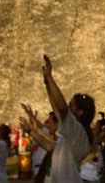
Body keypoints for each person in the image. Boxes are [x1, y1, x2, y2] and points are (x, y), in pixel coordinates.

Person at [39, 54, 96, 182]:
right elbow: (57, 108)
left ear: (80, 112)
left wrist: (50, 78)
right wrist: (48, 84)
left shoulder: (78, 132)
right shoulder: (73, 130)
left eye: (72, 105)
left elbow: (62, 109)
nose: (69, 108)